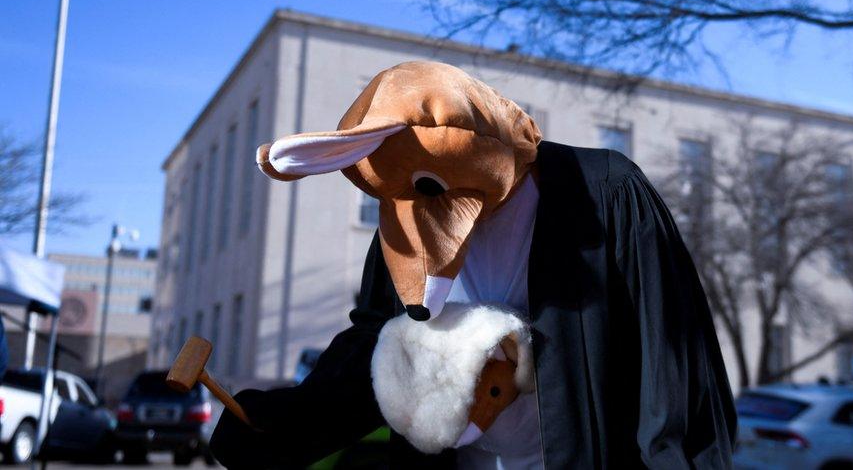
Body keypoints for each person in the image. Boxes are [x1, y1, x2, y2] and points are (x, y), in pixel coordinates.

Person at [209, 62, 736, 469]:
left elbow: (671, 360)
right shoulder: (404, 222)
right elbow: (376, 349)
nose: (416, 212)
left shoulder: (604, 193)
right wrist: (280, 426)